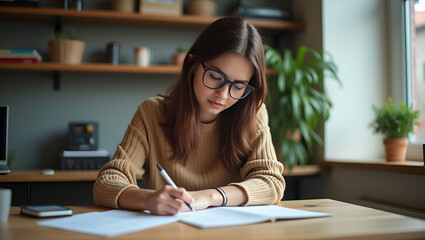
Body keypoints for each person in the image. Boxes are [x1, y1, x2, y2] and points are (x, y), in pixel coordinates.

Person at [93, 17, 285, 216]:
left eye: (238, 87)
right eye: (215, 77)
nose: (223, 95)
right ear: (192, 62)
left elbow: (271, 182)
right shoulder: (151, 113)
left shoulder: (253, 113)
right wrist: (147, 199)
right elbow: (107, 182)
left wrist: (209, 197)